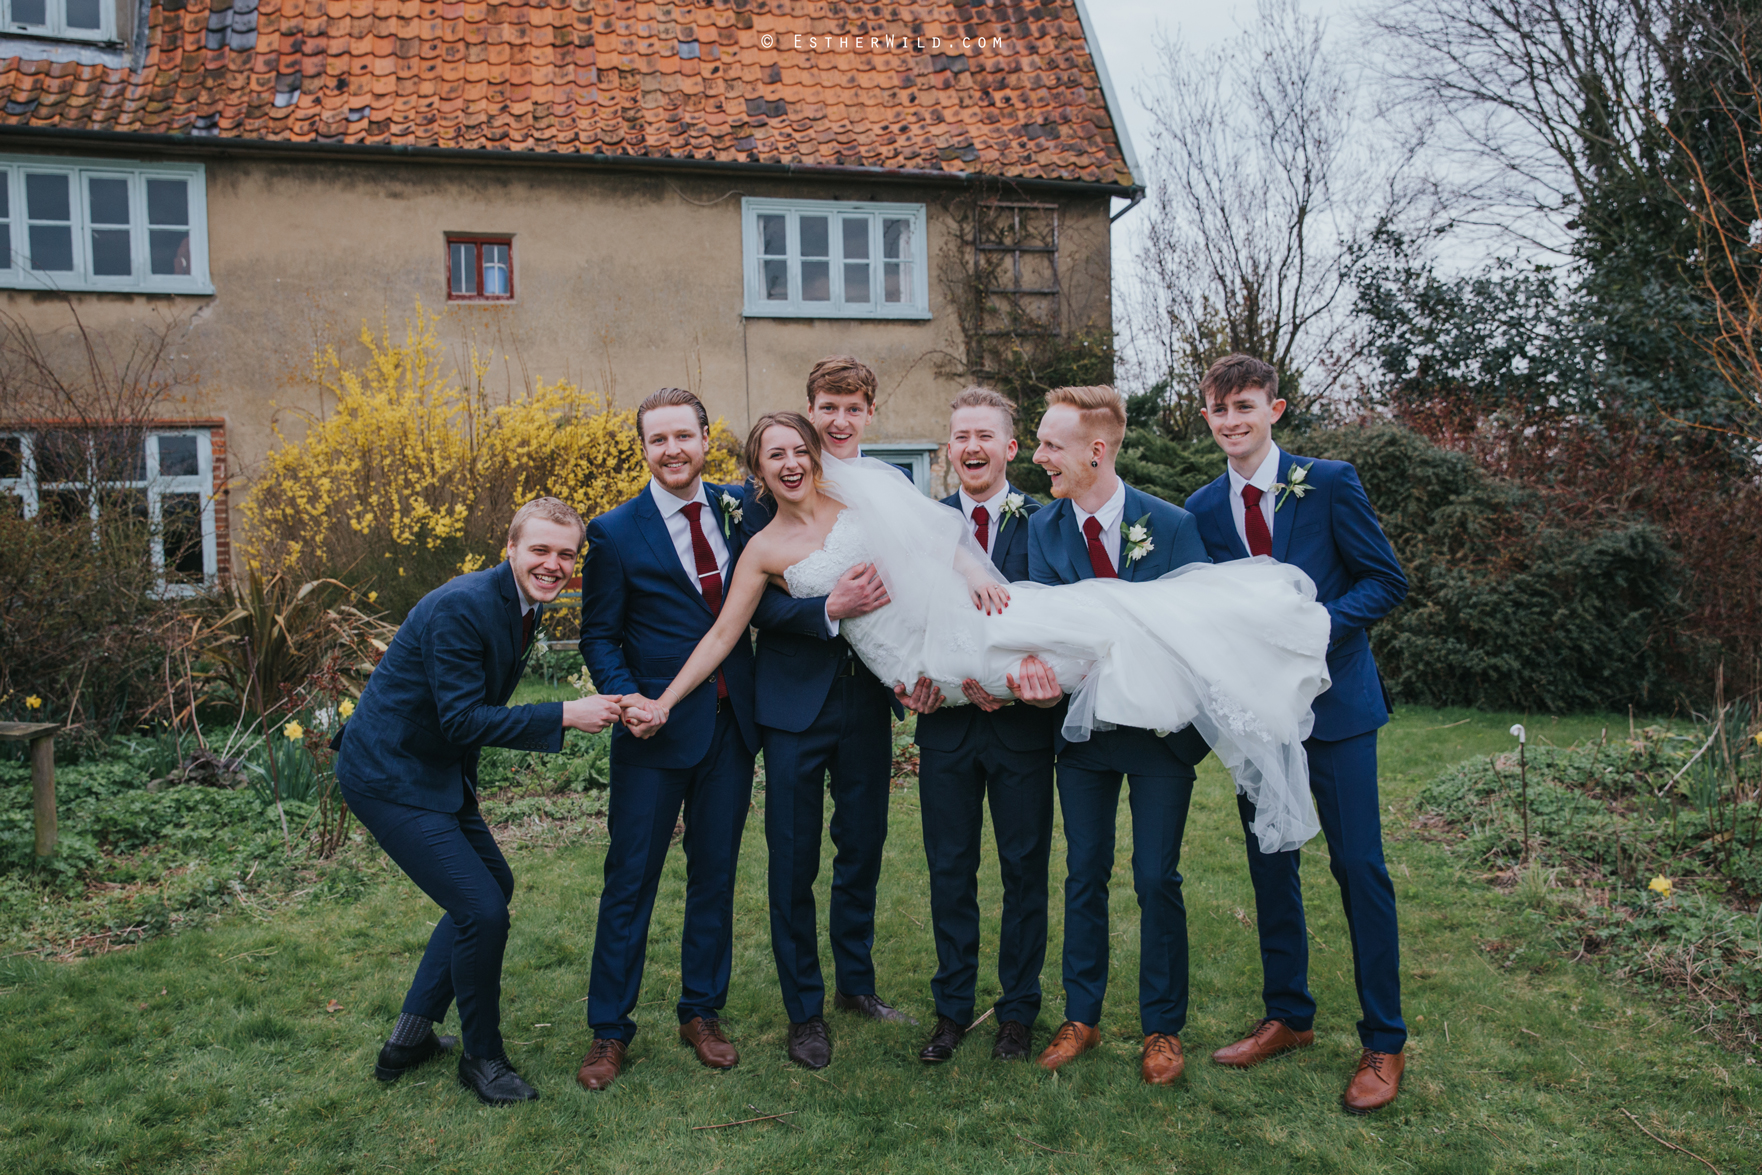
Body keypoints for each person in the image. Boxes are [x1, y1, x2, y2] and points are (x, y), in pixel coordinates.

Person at [623, 406, 1335, 1065]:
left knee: (1096, 630)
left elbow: (942, 540)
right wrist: (664, 697)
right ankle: (923, 1007)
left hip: (964, 629)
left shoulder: (860, 502)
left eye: (796, 450)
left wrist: (980, 576)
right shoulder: (763, 549)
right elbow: (724, 632)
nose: (788, 462)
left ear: (815, 455)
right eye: (772, 454)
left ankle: (1249, 648)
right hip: (925, 672)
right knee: (1097, 642)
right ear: (757, 467)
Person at [334, 497, 625, 1105]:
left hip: (435, 773)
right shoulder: (463, 606)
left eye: (566, 555)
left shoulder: (519, 604)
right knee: (482, 911)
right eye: (540, 550)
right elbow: (464, 718)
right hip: (387, 775)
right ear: (512, 548)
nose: (554, 565)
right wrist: (566, 714)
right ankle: (483, 1059)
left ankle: (409, 1040)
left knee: (492, 886)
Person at [1186, 354, 1411, 1114]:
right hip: (1257, 717)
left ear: (1274, 410)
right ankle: (1289, 1014)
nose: (1231, 421)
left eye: (1244, 405)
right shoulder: (1204, 509)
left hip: (1337, 709)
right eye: (1217, 409)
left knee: (1359, 868)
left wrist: (1312, 629)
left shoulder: (1331, 482)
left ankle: (1384, 1039)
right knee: (1270, 863)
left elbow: (1386, 580)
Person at [1014, 384, 1210, 1086]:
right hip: (1083, 733)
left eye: (1049, 445)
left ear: (1097, 450)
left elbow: (1197, 629)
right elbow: (1044, 623)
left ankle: (1162, 1028)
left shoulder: (1174, 524)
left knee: (1157, 877)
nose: (1038, 457)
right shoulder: (1044, 528)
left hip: (1160, 733)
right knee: (1083, 872)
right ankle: (1082, 1014)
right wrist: (1034, 669)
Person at [574, 389, 761, 1091]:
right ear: (645, 449)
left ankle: (701, 1011)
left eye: (684, 435)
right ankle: (609, 1027)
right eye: (659, 440)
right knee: (630, 880)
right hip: (653, 731)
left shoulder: (744, 510)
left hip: (732, 727)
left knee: (714, 875)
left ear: (706, 438)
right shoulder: (615, 532)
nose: (673, 450)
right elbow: (599, 632)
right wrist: (627, 701)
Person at [733, 356, 914, 1071]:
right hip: (792, 706)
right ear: (810, 409)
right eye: (826, 409)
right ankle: (803, 1010)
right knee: (793, 858)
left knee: (862, 847)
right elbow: (756, 604)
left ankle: (857, 985)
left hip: (867, 699)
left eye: (851, 408)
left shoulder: (880, 489)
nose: (838, 421)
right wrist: (825, 612)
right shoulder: (764, 489)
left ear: (868, 412)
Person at [910, 387, 1058, 1065]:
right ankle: (951, 1009)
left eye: (984, 435)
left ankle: (1018, 1012)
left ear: (1009, 447)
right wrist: (912, 683)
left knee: (1025, 868)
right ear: (949, 448)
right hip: (945, 727)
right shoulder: (923, 523)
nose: (971, 447)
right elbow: (901, 620)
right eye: (960, 434)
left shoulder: (1047, 524)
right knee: (950, 869)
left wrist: (1030, 681)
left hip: (1023, 727)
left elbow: (1061, 619)